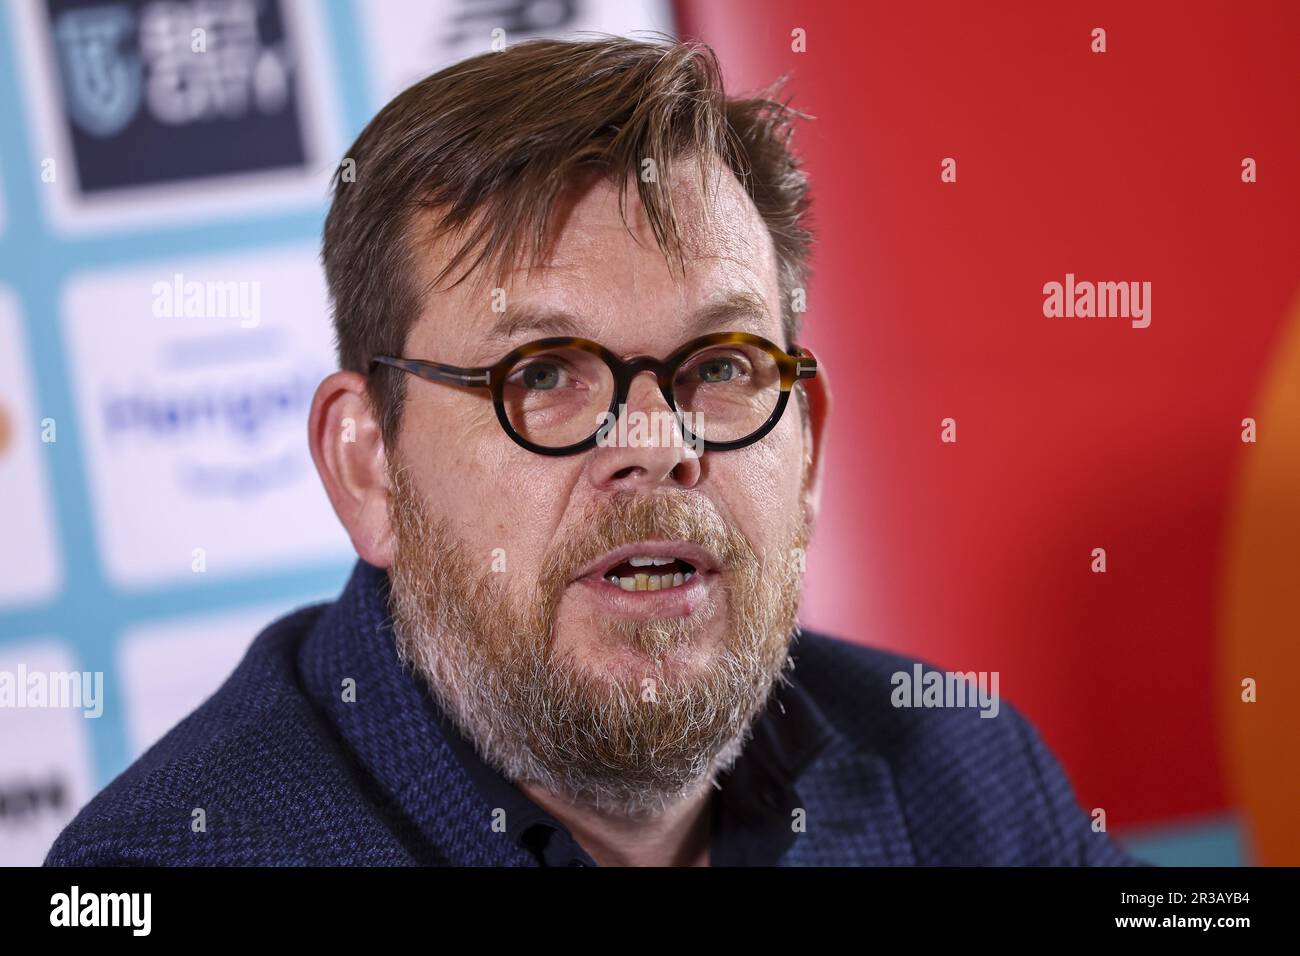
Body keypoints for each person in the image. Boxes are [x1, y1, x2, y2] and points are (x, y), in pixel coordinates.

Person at [46, 35, 1138, 867]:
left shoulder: (966, 774)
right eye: (545, 374)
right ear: (368, 466)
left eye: (719, 366)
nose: (656, 443)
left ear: (804, 452)